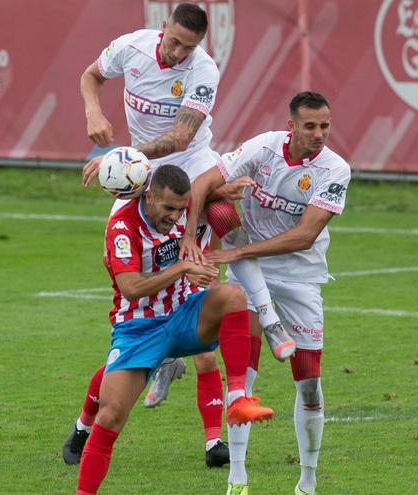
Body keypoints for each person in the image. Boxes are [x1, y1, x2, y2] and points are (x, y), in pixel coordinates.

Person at [65, 2, 294, 469]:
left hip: (185, 168)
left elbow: (182, 138)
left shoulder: (203, 69)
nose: (177, 52)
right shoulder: (131, 46)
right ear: (162, 28)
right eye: (173, 42)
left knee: (226, 221)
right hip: (140, 172)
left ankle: (260, 336)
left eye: (187, 47)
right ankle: (97, 413)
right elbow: (90, 76)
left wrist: (121, 154)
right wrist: (92, 111)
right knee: (133, 298)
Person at [182, 92, 350, 495]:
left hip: (299, 278)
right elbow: (203, 183)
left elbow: (305, 236)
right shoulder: (263, 147)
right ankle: (236, 477)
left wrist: (236, 251)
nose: (319, 134)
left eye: (325, 125)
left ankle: (307, 480)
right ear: (291, 126)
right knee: (244, 374)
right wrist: (190, 238)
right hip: (248, 271)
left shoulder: (334, 169)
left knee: (309, 382)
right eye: (310, 126)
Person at [74, 165, 274, 495]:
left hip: (182, 315)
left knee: (233, 296)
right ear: (148, 195)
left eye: (181, 209)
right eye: (168, 208)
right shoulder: (123, 227)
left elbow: (206, 192)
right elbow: (132, 287)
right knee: (110, 416)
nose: (175, 216)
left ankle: (237, 398)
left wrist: (224, 191)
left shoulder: (183, 209)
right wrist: (184, 267)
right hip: (139, 329)